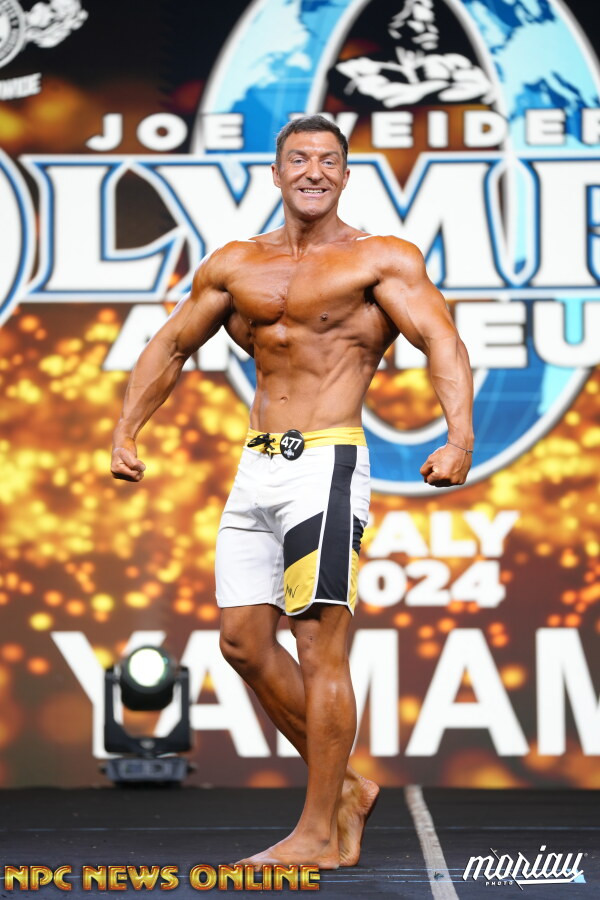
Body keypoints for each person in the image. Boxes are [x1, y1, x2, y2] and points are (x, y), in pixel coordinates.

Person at [111, 114, 473, 869]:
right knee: (242, 643)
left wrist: (458, 436)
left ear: (346, 175)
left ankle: (317, 832)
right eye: (299, 159)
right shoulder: (236, 264)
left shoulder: (379, 259)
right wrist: (126, 431)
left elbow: (441, 338)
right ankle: (348, 790)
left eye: (329, 160)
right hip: (257, 466)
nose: (314, 171)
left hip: (326, 464)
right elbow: (172, 343)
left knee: (317, 644)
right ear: (275, 173)